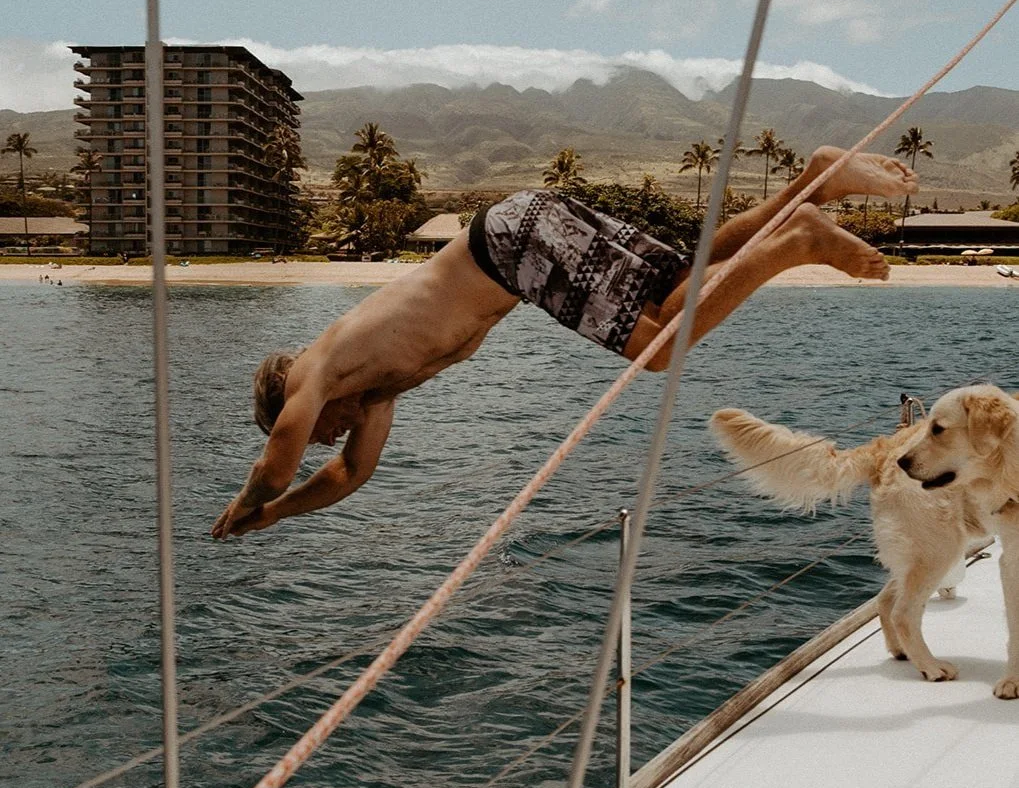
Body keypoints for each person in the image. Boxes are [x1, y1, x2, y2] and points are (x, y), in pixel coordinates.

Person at [212, 146, 916, 540]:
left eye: (315, 435)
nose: (325, 440)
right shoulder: (371, 391)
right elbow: (349, 478)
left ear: (287, 405)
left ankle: (795, 244)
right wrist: (276, 517)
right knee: (677, 288)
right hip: (519, 239)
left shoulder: (316, 368)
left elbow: (278, 460)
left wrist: (249, 504)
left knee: (659, 348)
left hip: (512, 250)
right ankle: (815, 184)